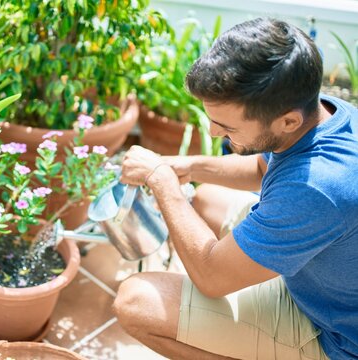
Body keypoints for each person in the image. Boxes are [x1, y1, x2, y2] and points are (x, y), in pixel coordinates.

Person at [114, 17, 358, 360]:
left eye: (226, 126)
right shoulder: (322, 111)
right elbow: (262, 168)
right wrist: (189, 167)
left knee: (137, 302)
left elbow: (212, 279)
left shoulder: (318, 187)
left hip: (334, 336)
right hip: (313, 278)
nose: (213, 133)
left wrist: (162, 180)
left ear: (288, 121)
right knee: (206, 199)